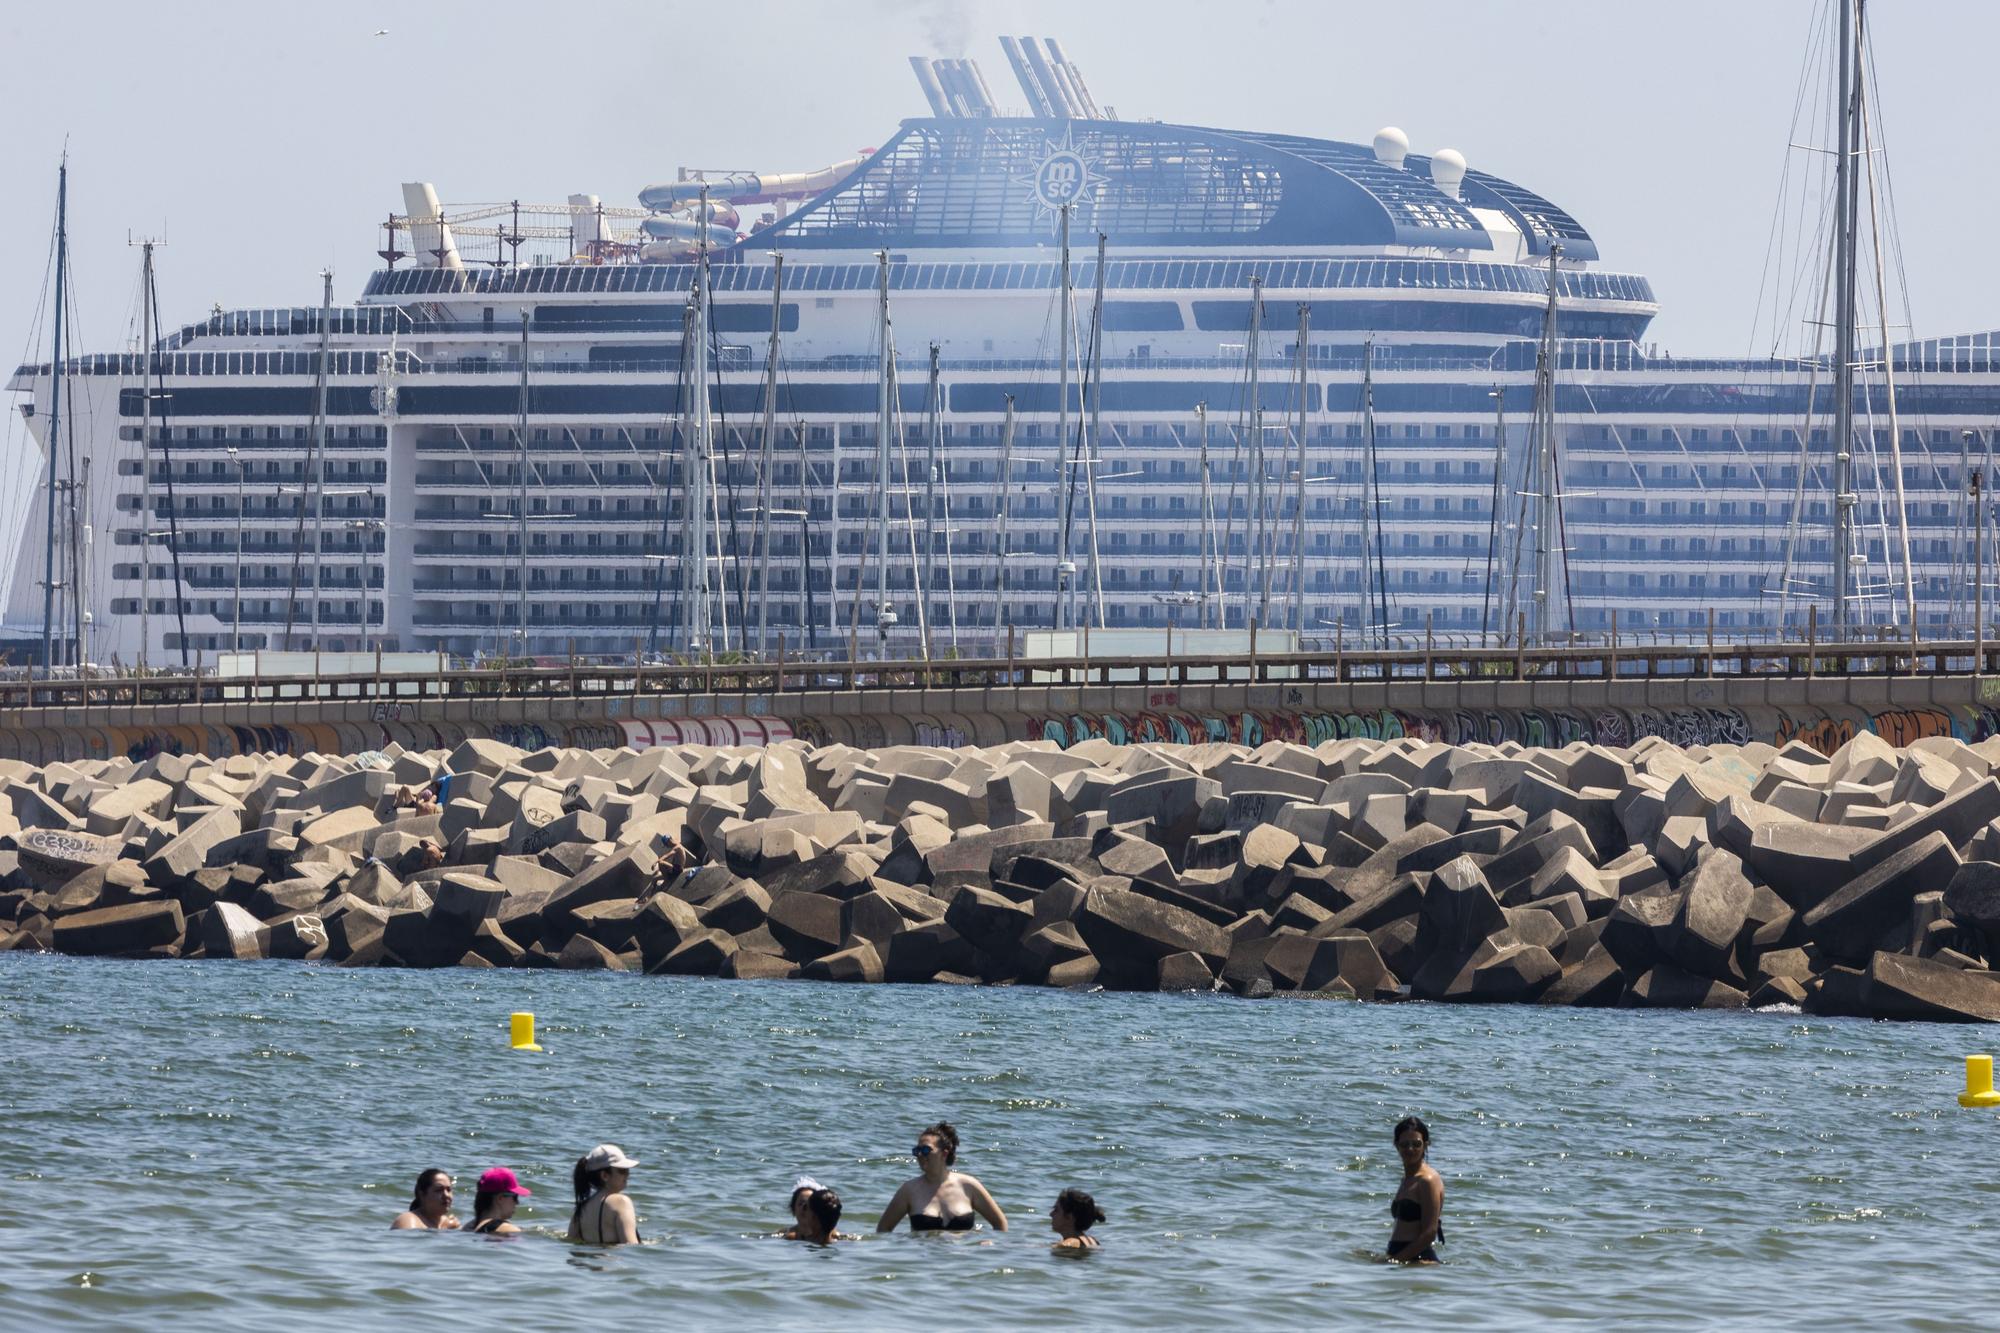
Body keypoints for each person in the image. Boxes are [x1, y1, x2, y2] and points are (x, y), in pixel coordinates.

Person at [876, 1121, 1007, 1233]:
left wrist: (989, 1244)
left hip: (965, 1260)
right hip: (922, 1260)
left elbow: (1000, 1224)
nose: (920, 1155)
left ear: (944, 1154)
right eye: (917, 1151)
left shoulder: (969, 1186)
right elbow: (883, 1230)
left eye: (926, 1150)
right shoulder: (908, 1190)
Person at [1387, 1116, 1444, 1264]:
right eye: (1405, 1144)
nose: (1410, 1149)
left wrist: (1395, 1260)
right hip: (1403, 1256)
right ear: (1396, 1145)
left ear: (1426, 1145)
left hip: (1419, 1259)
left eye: (1416, 1144)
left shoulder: (1428, 1180)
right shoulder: (1407, 1179)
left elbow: (1429, 1233)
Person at [567, 1144, 641, 1245]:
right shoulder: (621, 1202)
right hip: (613, 1260)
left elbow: (571, 1244)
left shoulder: (580, 1211)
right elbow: (630, 1245)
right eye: (622, 1170)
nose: (628, 1174)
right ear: (605, 1175)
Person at [783, 1175, 849, 1244]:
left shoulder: (793, 1238)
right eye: (801, 1204)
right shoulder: (844, 1242)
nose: (804, 1209)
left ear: (814, 1216)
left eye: (807, 1206)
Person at [390, 1168, 460, 1230]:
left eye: (449, 1190)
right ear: (422, 1194)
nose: (446, 1195)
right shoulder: (408, 1220)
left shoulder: (449, 1224)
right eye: (438, 1190)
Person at [469, 1166, 531, 1236]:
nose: (517, 1202)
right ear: (500, 1198)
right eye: (515, 1197)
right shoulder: (506, 1229)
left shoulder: (468, 1227)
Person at [1048, 1187, 1104, 1252]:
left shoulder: (1070, 1242)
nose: (1051, 1214)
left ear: (1069, 1217)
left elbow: (1068, 1244)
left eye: (1056, 1210)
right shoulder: (1092, 1240)